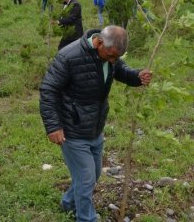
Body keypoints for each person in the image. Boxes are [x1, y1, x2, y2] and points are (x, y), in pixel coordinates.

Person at [39, 26, 152, 222]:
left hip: (95, 128)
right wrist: (53, 126)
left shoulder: (110, 55)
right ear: (99, 42)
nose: (113, 61)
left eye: (116, 57)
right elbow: (48, 90)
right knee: (86, 178)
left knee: (94, 174)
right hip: (72, 129)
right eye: (110, 56)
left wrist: (136, 76)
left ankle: (68, 203)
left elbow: (120, 70)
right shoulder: (69, 56)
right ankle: (86, 218)